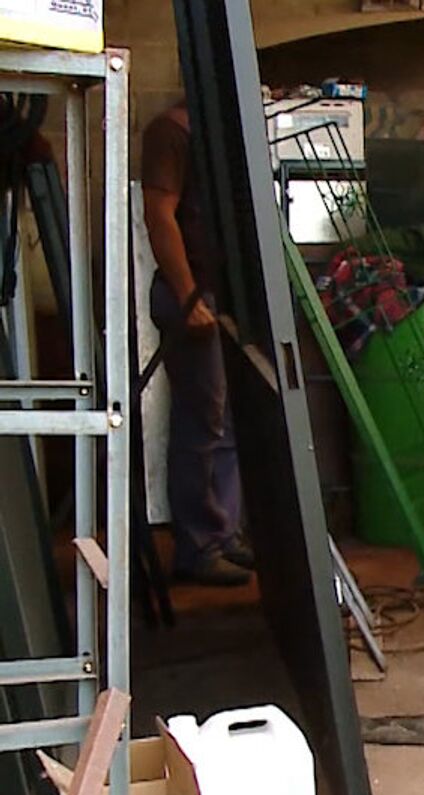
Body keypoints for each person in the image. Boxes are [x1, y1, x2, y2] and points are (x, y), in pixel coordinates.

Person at [142, 101, 254, 587]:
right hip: (189, 295)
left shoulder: (216, 136)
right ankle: (198, 545)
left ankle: (223, 532)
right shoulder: (170, 131)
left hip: (219, 296)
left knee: (225, 421)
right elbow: (159, 213)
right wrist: (189, 295)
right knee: (201, 422)